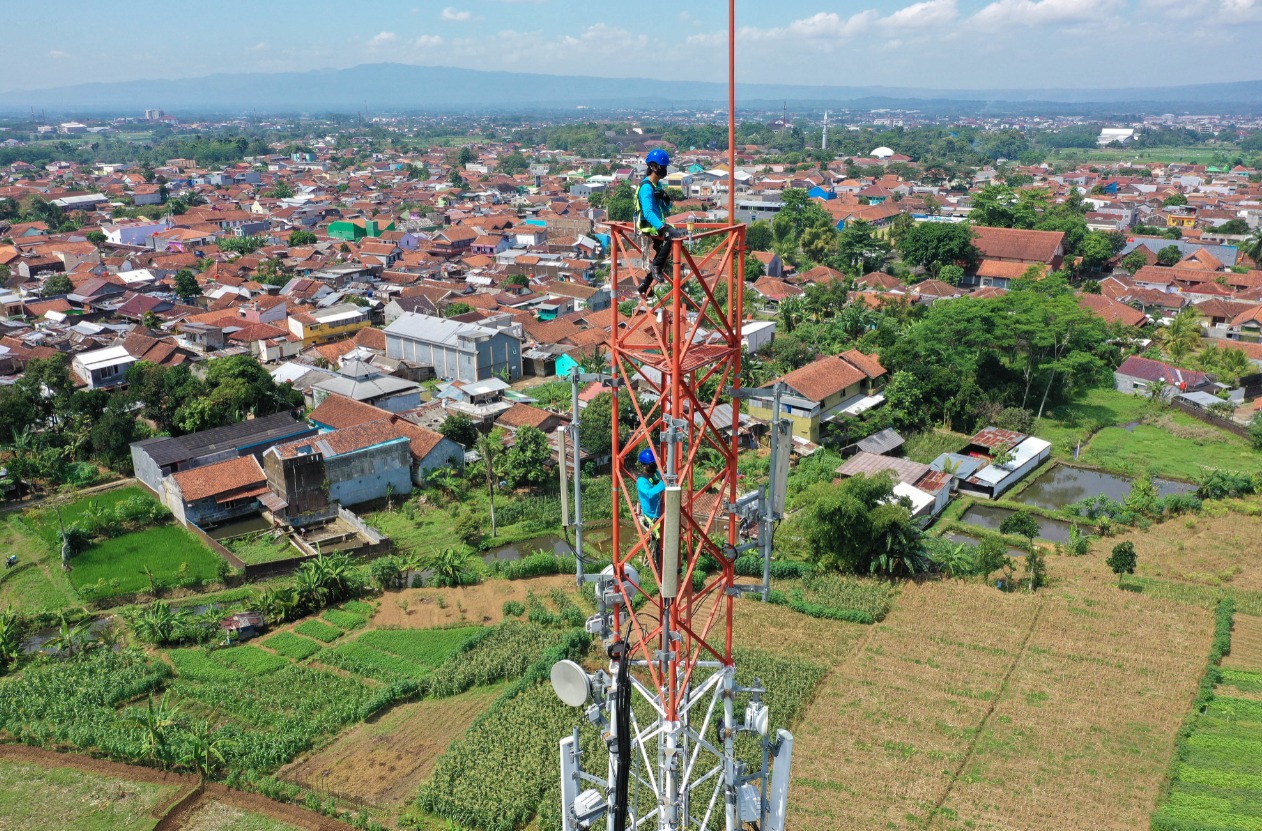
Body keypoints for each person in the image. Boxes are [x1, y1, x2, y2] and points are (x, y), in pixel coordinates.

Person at [635, 149, 676, 298]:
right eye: (662, 167)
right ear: (653, 167)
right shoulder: (646, 187)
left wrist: (666, 199)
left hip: (657, 224)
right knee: (674, 237)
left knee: (662, 254)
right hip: (650, 225)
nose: (664, 170)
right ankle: (656, 268)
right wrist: (662, 227)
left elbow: (665, 208)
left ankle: (645, 285)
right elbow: (648, 212)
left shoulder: (657, 186)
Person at [635, 448, 665, 569]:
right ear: (644, 466)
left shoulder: (655, 473)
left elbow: (659, 479)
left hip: (660, 511)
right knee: (659, 541)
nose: (653, 466)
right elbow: (649, 493)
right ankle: (659, 568)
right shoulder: (641, 481)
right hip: (651, 515)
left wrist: (664, 477)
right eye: (651, 464)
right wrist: (664, 483)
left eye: (654, 464)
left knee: (666, 537)